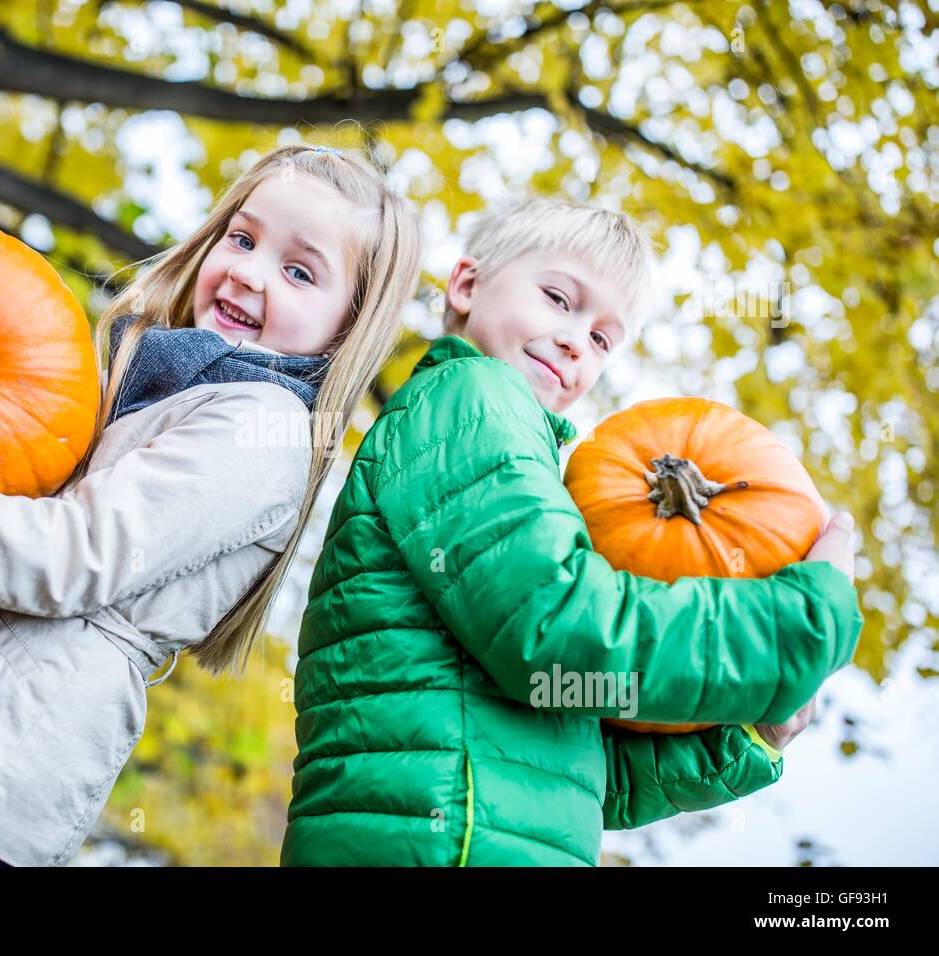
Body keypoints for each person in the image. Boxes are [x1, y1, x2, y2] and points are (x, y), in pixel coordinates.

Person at [0, 142, 423, 866]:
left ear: (346, 328)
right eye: (243, 238)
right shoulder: (143, 379)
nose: (250, 272)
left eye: (297, 271)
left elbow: (74, 555)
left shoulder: (263, 431)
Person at [280, 195, 861, 866]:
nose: (574, 340)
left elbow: (575, 775)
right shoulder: (469, 400)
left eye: (602, 338)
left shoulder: (528, 473)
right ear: (467, 286)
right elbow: (555, 628)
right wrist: (797, 624)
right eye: (559, 299)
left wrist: (746, 740)